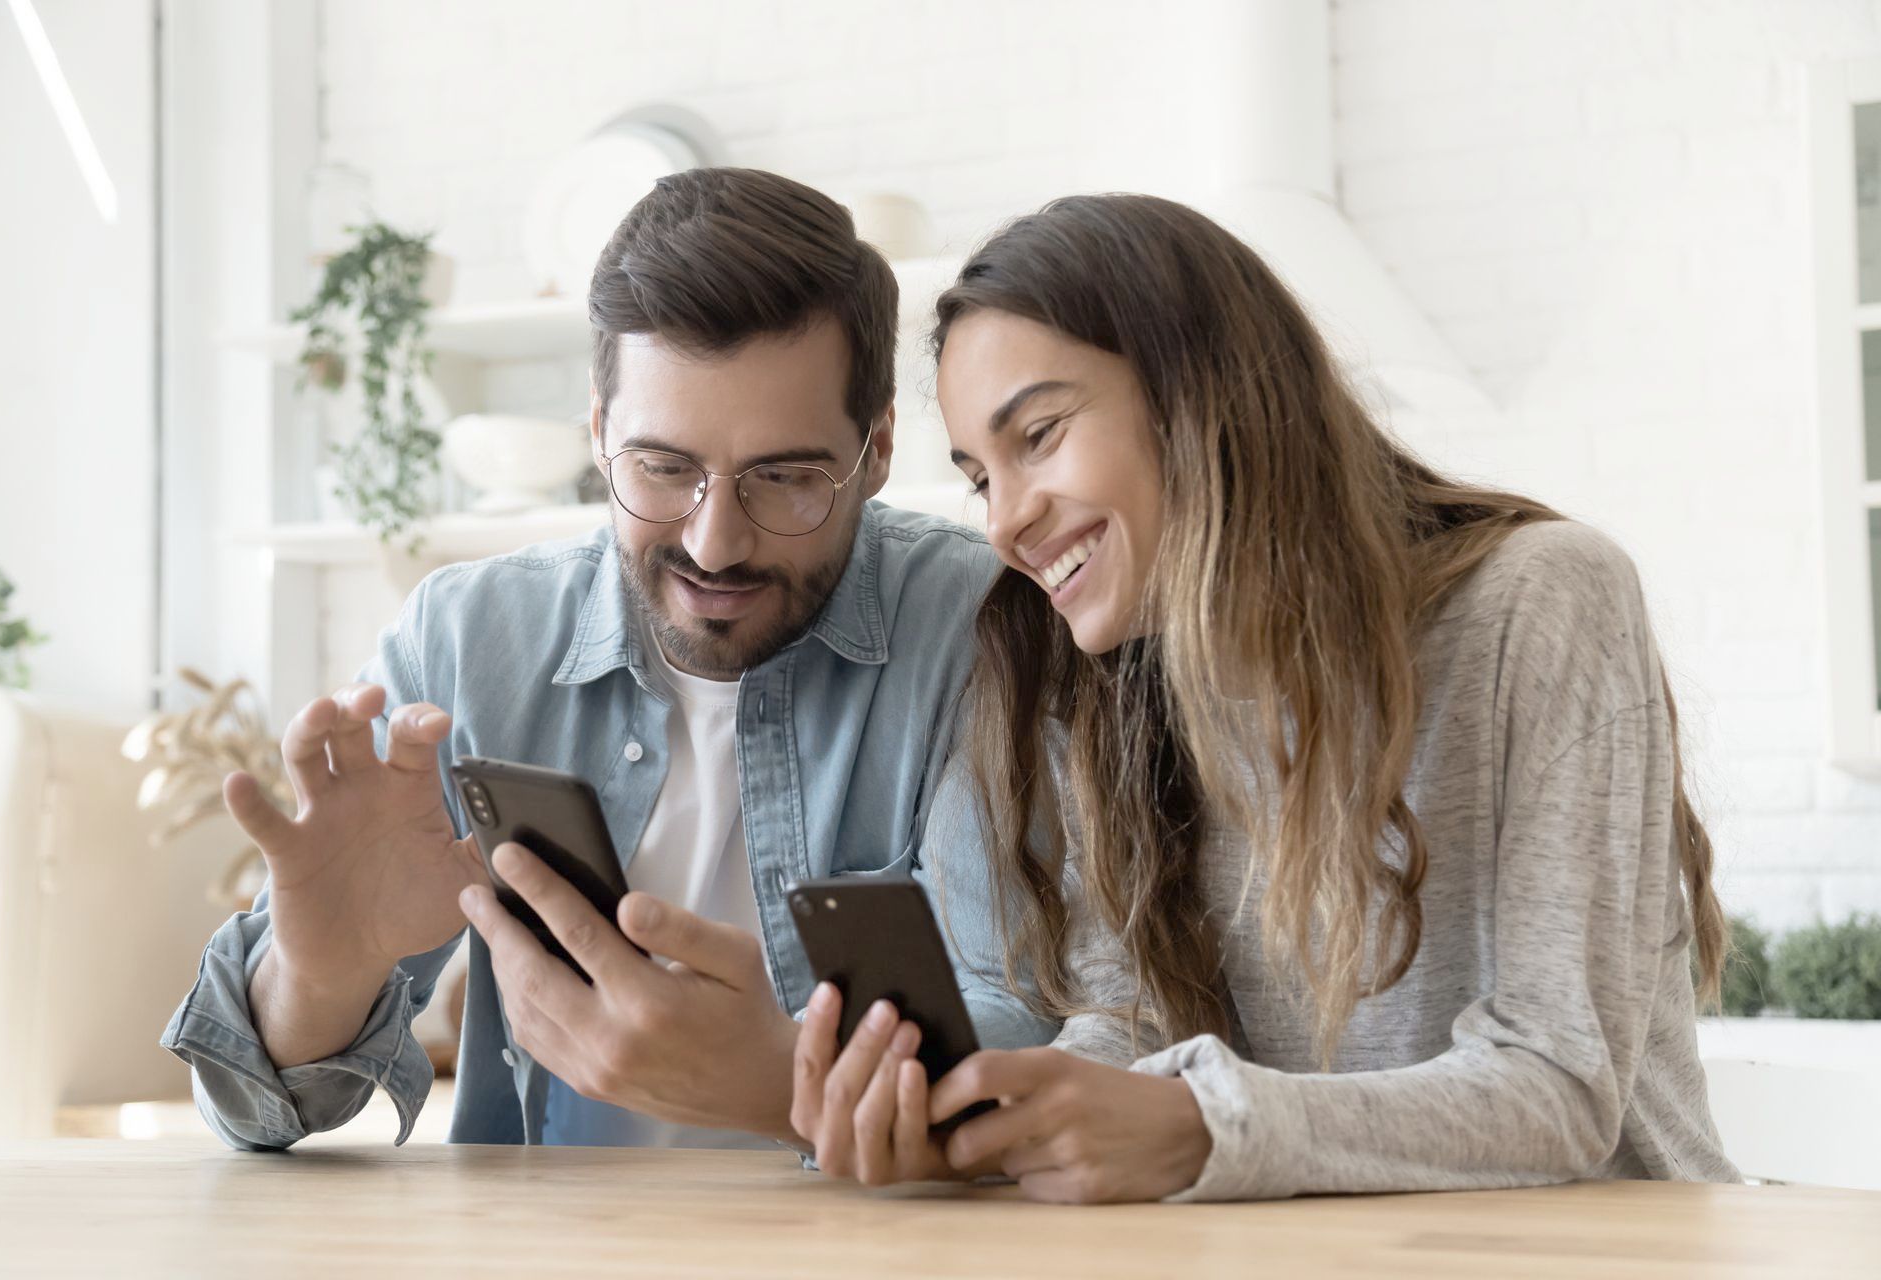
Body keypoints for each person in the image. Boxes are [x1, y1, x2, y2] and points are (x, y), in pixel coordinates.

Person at [790, 192, 1742, 1202]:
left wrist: (1203, 1124)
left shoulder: (1543, 600)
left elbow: (1560, 1087)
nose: (1008, 522)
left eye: (1042, 434)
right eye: (982, 477)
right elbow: (1131, 1021)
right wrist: (1007, 1116)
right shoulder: (1115, 691)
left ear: (1200, 392)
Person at [160, 168, 1055, 1152]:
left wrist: (779, 1074)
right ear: (597, 431)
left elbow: (1032, 1041)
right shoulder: (465, 642)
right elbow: (252, 1108)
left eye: (786, 477)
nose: (714, 542)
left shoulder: (988, 632)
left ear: (878, 446)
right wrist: (320, 975)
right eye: (663, 468)